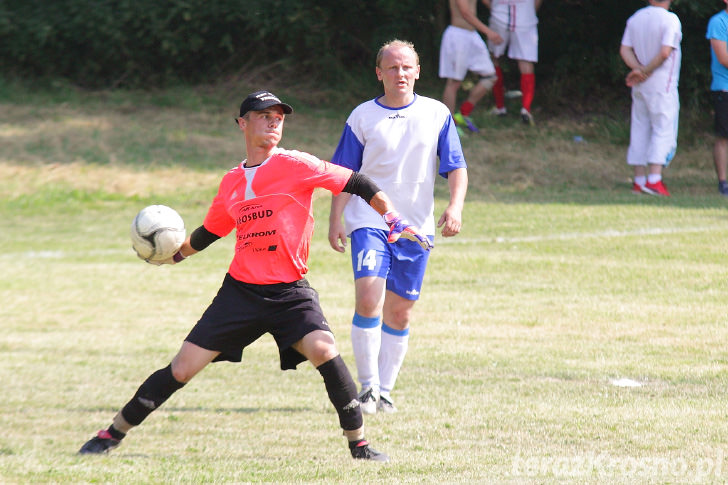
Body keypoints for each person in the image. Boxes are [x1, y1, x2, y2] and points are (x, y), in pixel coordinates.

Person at [78, 90, 433, 462]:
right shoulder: (232, 180)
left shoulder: (297, 164)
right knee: (181, 369)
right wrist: (174, 257)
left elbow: (357, 182)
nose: (273, 122)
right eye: (264, 116)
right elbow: (211, 230)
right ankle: (111, 433)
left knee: (326, 352)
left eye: (279, 117)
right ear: (242, 123)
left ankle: (359, 445)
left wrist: (391, 218)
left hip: (290, 293)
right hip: (241, 294)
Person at [329, 40, 468, 415]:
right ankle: (368, 388)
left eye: (407, 67)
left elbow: (456, 166)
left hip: (415, 228)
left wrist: (455, 206)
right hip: (368, 220)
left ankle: (386, 391)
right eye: (392, 68)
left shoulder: (437, 113)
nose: (400, 74)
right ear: (379, 73)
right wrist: (335, 218)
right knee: (369, 299)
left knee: (400, 312)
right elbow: (343, 174)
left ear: (418, 71)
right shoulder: (362, 117)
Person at [619, 0, 682, 197]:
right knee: (663, 129)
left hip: (640, 85)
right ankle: (654, 179)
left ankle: (639, 180)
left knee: (640, 128)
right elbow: (665, 52)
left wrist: (637, 70)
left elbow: (625, 49)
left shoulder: (636, 18)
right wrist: (645, 71)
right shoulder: (670, 19)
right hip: (662, 84)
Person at [439, 0, 504, 134]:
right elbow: (465, 13)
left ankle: (463, 114)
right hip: (457, 35)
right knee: (454, 83)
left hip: (472, 35)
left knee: (490, 76)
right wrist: (488, 32)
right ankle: (449, 127)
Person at [482, 0, 543, 125]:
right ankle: (526, 109)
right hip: (525, 14)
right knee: (526, 61)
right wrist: (531, 11)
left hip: (500, 13)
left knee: (495, 59)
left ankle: (500, 107)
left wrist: (493, 7)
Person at [707, 0, 728, 196]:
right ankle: (723, 182)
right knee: (723, 137)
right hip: (724, 89)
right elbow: (724, 58)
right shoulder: (719, 22)